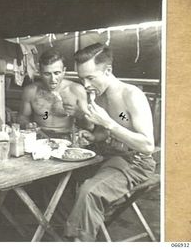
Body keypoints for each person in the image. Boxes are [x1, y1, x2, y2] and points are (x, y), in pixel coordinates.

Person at [64, 43, 156, 241]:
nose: (86, 85)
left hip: (135, 162)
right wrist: (93, 136)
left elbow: (148, 145)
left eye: (90, 78)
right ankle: (74, 227)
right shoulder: (97, 95)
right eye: (81, 78)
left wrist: (109, 124)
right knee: (59, 178)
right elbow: (102, 133)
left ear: (108, 70)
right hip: (107, 156)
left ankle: (80, 240)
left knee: (89, 191)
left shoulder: (131, 95)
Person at [18, 49, 91, 138]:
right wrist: (27, 125)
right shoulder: (31, 91)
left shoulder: (76, 90)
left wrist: (79, 114)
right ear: (40, 73)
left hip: (67, 137)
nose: (53, 79)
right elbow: (22, 118)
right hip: (39, 136)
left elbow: (89, 126)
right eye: (47, 74)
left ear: (64, 71)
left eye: (57, 73)